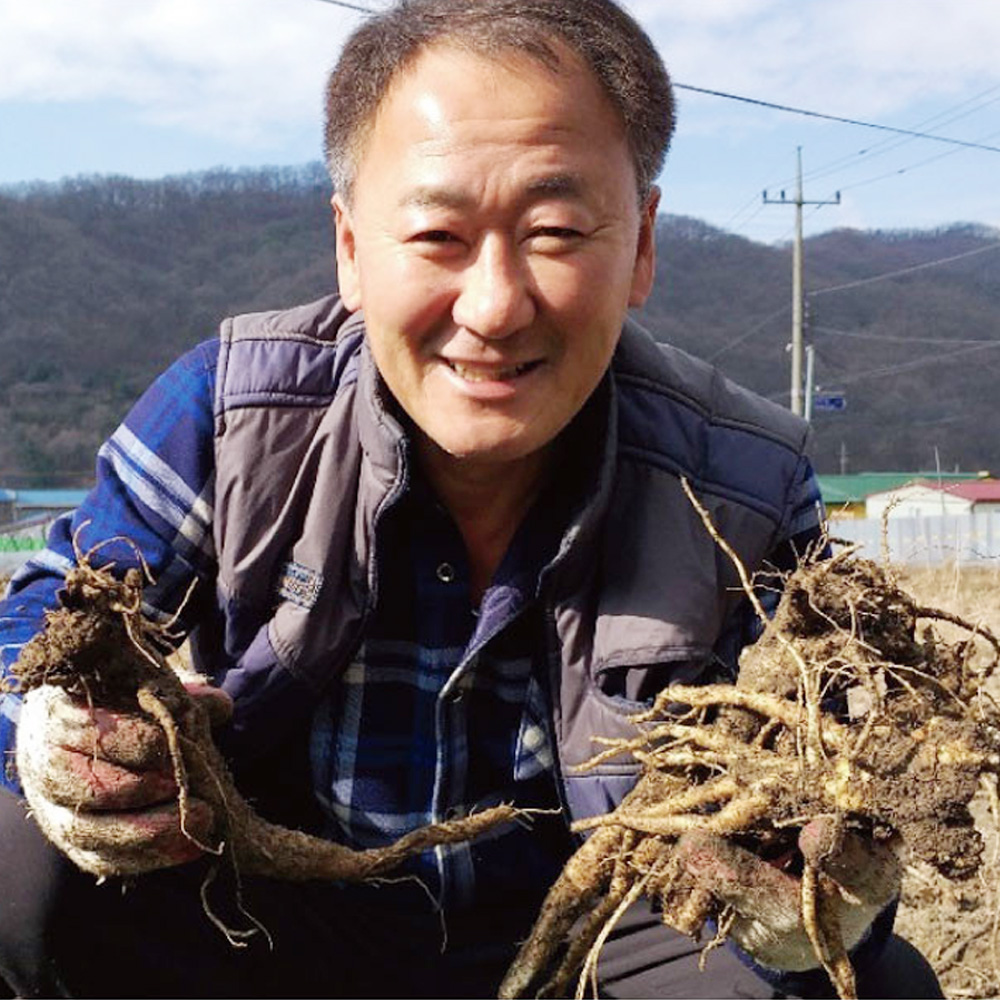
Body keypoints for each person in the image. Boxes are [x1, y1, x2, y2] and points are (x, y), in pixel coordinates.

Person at [0, 1, 941, 997]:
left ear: (643, 245)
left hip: (604, 929)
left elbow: (831, 760)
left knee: (871, 985)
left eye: (556, 229)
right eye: (439, 233)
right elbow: (49, 608)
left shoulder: (744, 477)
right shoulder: (233, 411)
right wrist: (55, 726)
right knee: (13, 868)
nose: (493, 307)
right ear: (352, 247)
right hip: (269, 913)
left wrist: (815, 886)